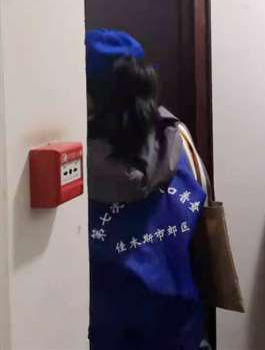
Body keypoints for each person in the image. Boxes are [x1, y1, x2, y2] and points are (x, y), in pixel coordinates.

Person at [86, 29, 207, 349]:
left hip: (104, 333)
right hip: (179, 324)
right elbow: (204, 219)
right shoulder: (178, 140)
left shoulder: (75, 164)